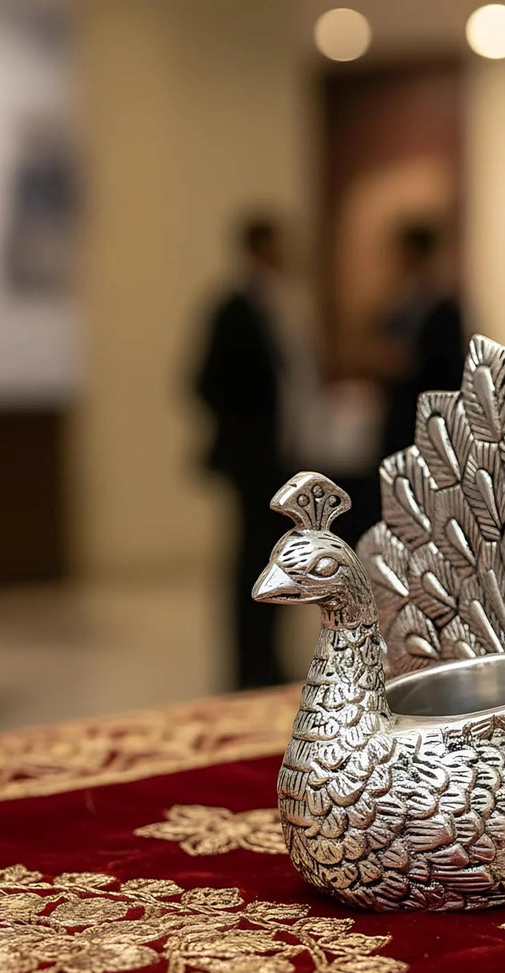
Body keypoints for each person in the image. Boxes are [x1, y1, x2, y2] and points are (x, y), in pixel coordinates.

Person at [194, 214, 295, 689]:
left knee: (270, 556)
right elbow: (202, 381)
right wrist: (250, 427)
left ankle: (265, 659)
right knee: (251, 559)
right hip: (251, 458)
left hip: (271, 455)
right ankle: (248, 665)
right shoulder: (233, 307)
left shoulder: (271, 304)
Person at [378, 222, 465, 458]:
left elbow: (448, 366)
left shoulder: (440, 306)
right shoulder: (401, 300)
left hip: (424, 409)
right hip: (402, 408)